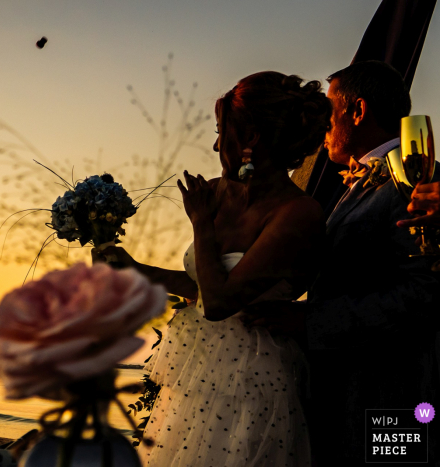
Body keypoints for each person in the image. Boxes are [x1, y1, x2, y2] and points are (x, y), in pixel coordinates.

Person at [95, 71, 331, 466]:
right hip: (197, 375)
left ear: (251, 139)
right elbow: (202, 285)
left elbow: (220, 301)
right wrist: (134, 269)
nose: (217, 143)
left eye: (223, 131)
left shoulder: (297, 213)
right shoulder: (221, 193)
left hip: (252, 379)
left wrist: (202, 224)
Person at [242, 61, 440, 463]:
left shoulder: (414, 179)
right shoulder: (356, 181)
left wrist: (309, 321)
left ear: (358, 110)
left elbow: (425, 293)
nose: (322, 124)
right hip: (343, 392)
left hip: (391, 397)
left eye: (329, 110)